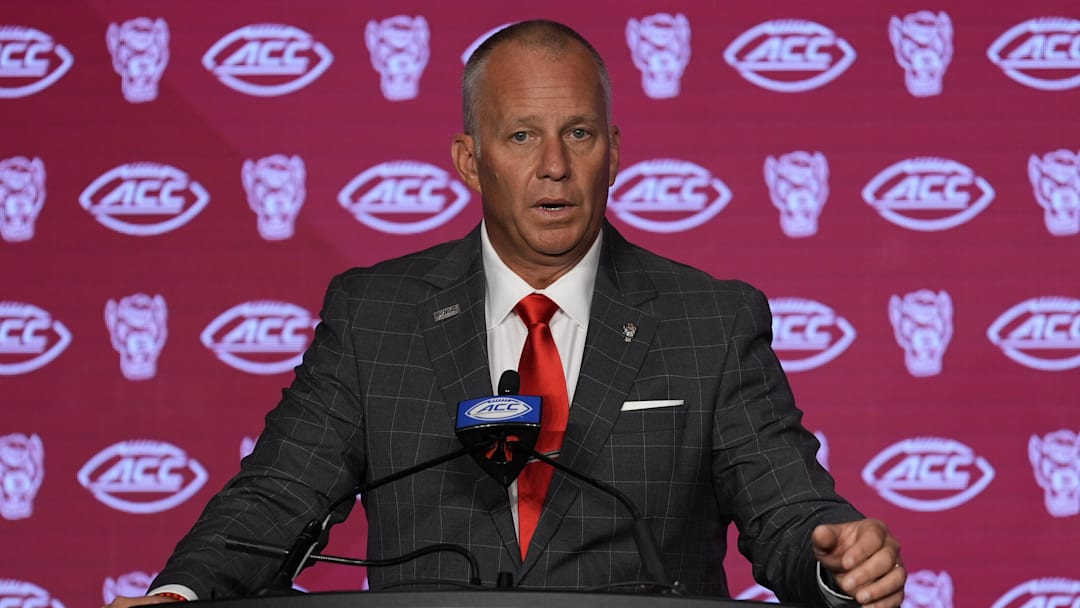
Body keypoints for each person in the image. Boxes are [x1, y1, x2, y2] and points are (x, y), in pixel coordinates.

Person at [107, 19, 905, 608]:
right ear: (468, 159)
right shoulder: (375, 316)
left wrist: (838, 561)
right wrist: (180, 594)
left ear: (615, 152)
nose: (554, 167)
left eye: (579, 134)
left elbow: (789, 508)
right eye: (522, 135)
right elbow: (276, 498)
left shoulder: (711, 321)